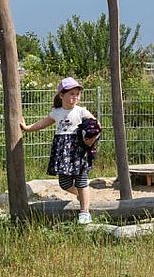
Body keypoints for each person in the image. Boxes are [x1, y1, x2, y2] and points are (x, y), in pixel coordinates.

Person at [20, 77, 101, 224]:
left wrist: (92, 138)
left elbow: (97, 125)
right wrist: (27, 128)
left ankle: (85, 212)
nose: (75, 97)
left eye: (77, 94)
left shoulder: (81, 111)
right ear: (61, 95)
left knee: (81, 180)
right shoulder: (56, 113)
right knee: (64, 184)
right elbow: (42, 124)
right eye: (71, 94)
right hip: (63, 152)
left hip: (79, 150)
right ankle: (81, 195)